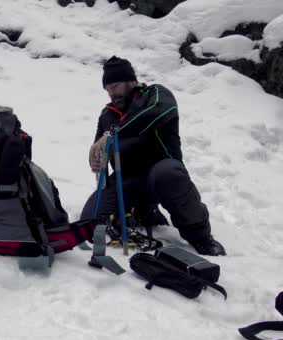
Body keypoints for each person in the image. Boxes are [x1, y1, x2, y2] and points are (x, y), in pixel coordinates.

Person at [79, 56, 226, 256]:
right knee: (91, 217)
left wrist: (115, 134)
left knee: (167, 173)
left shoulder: (156, 94)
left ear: (131, 81)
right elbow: (102, 145)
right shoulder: (107, 114)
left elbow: (157, 114)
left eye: (115, 86)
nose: (112, 93)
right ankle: (142, 211)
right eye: (108, 89)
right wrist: (96, 159)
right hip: (128, 179)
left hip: (162, 173)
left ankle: (200, 235)